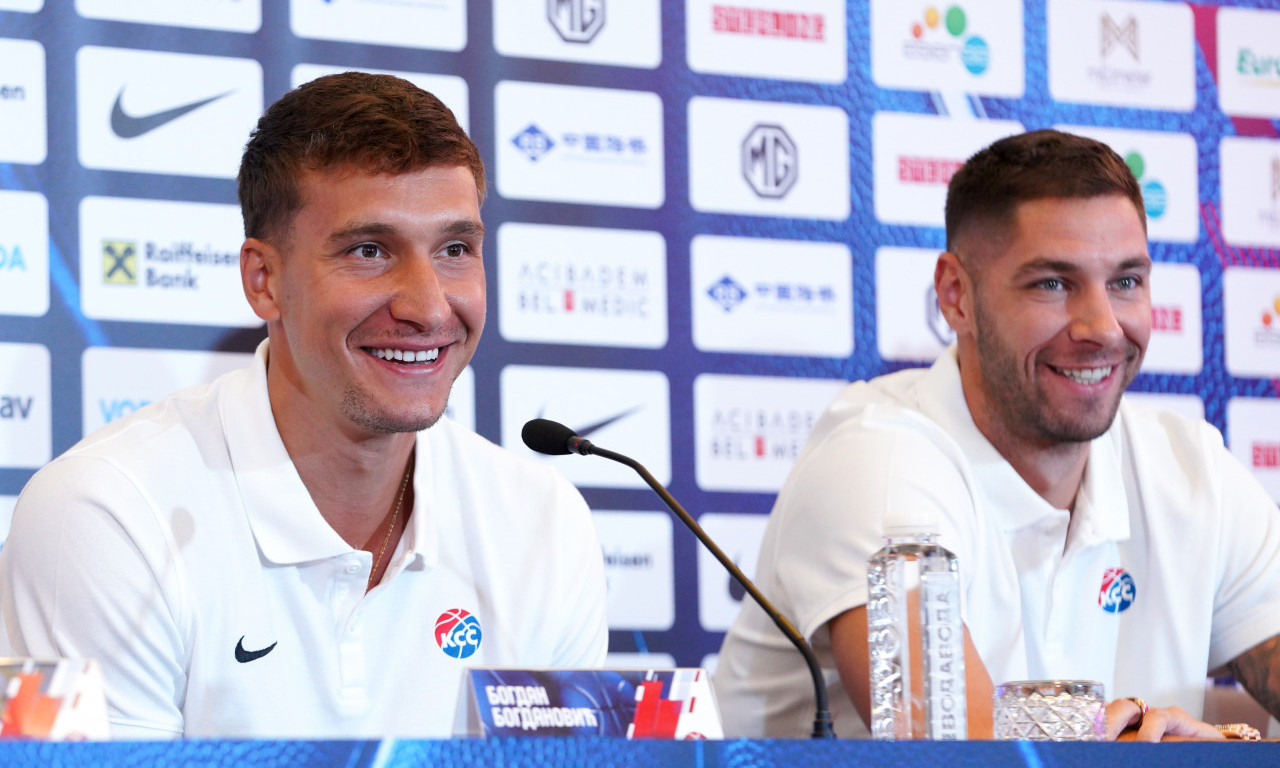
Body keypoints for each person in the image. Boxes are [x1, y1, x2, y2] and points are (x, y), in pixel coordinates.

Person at [0, 73, 608, 739]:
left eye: (455, 249)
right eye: (370, 250)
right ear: (264, 281)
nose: (430, 306)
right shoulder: (105, 516)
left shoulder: (542, 520)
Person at [712, 129, 1280, 741]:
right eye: (1053, 284)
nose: (1104, 327)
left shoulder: (1191, 470)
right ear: (956, 295)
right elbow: (955, 760)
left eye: (1125, 281)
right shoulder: (877, 465)